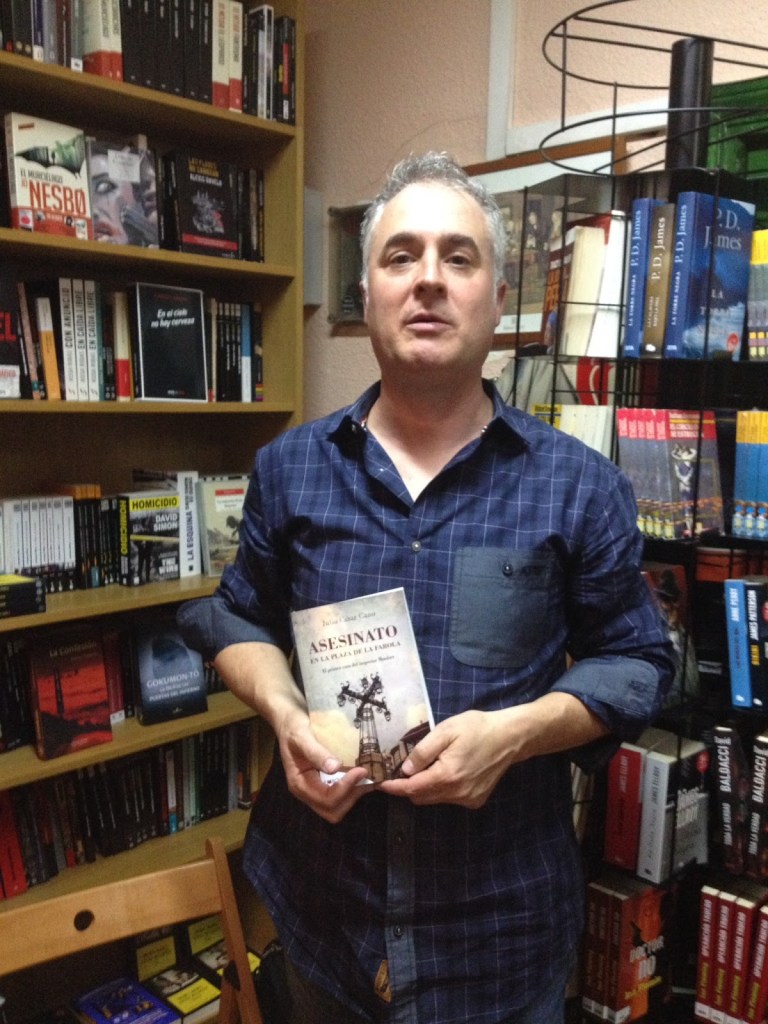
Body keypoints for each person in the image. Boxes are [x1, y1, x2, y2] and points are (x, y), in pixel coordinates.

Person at [178, 151, 674, 1024]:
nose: (429, 280)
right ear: (367, 293)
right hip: (321, 919)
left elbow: (638, 664)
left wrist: (516, 734)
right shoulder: (290, 469)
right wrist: (286, 716)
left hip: (498, 942)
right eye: (401, 255)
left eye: (459, 257)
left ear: (498, 298)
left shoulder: (579, 486)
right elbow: (238, 618)